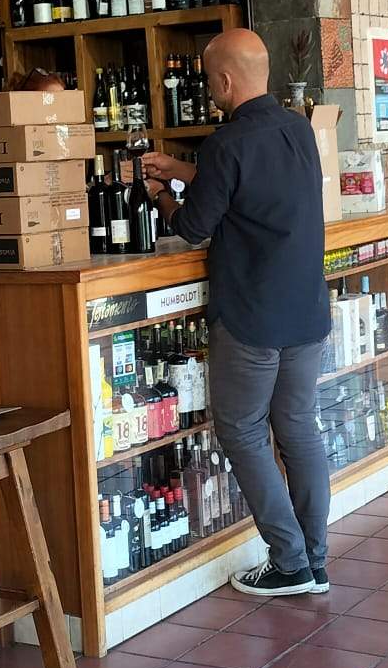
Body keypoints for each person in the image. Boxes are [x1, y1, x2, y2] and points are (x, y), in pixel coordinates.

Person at [139, 30, 334, 596]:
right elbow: (251, 190)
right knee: (299, 430)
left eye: (208, 80)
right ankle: (314, 561)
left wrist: (161, 195)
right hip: (306, 312)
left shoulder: (227, 144)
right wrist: (181, 166)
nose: (208, 89)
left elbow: (195, 226)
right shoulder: (299, 127)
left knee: (243, 432)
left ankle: (289, 562)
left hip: (251, 317)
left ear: (224, 81)